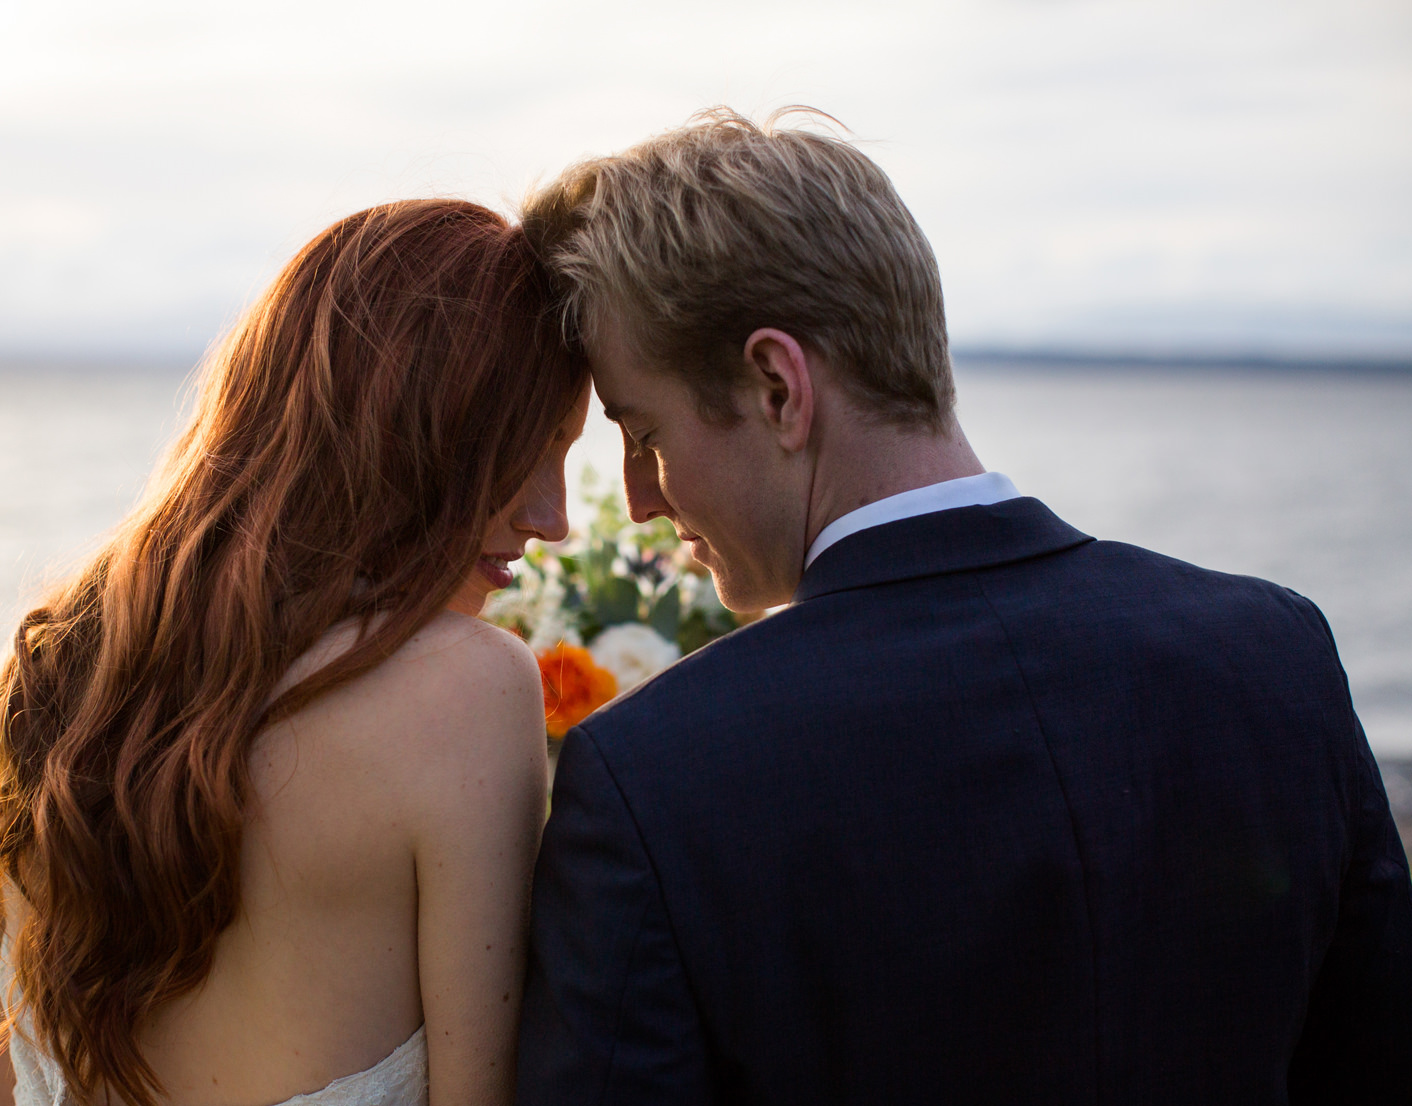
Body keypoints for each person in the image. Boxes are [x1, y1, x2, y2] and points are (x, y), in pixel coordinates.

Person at [515, 108, 1412, 1103]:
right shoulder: (1274, 652)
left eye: (641, 432)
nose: (639, 497)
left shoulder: (655, 778)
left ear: (777, 385)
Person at [0, 199, 589, 1106]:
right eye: (525, 450)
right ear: (413, 429)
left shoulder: (47, 666)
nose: (554, 518)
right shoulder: (467, 688)